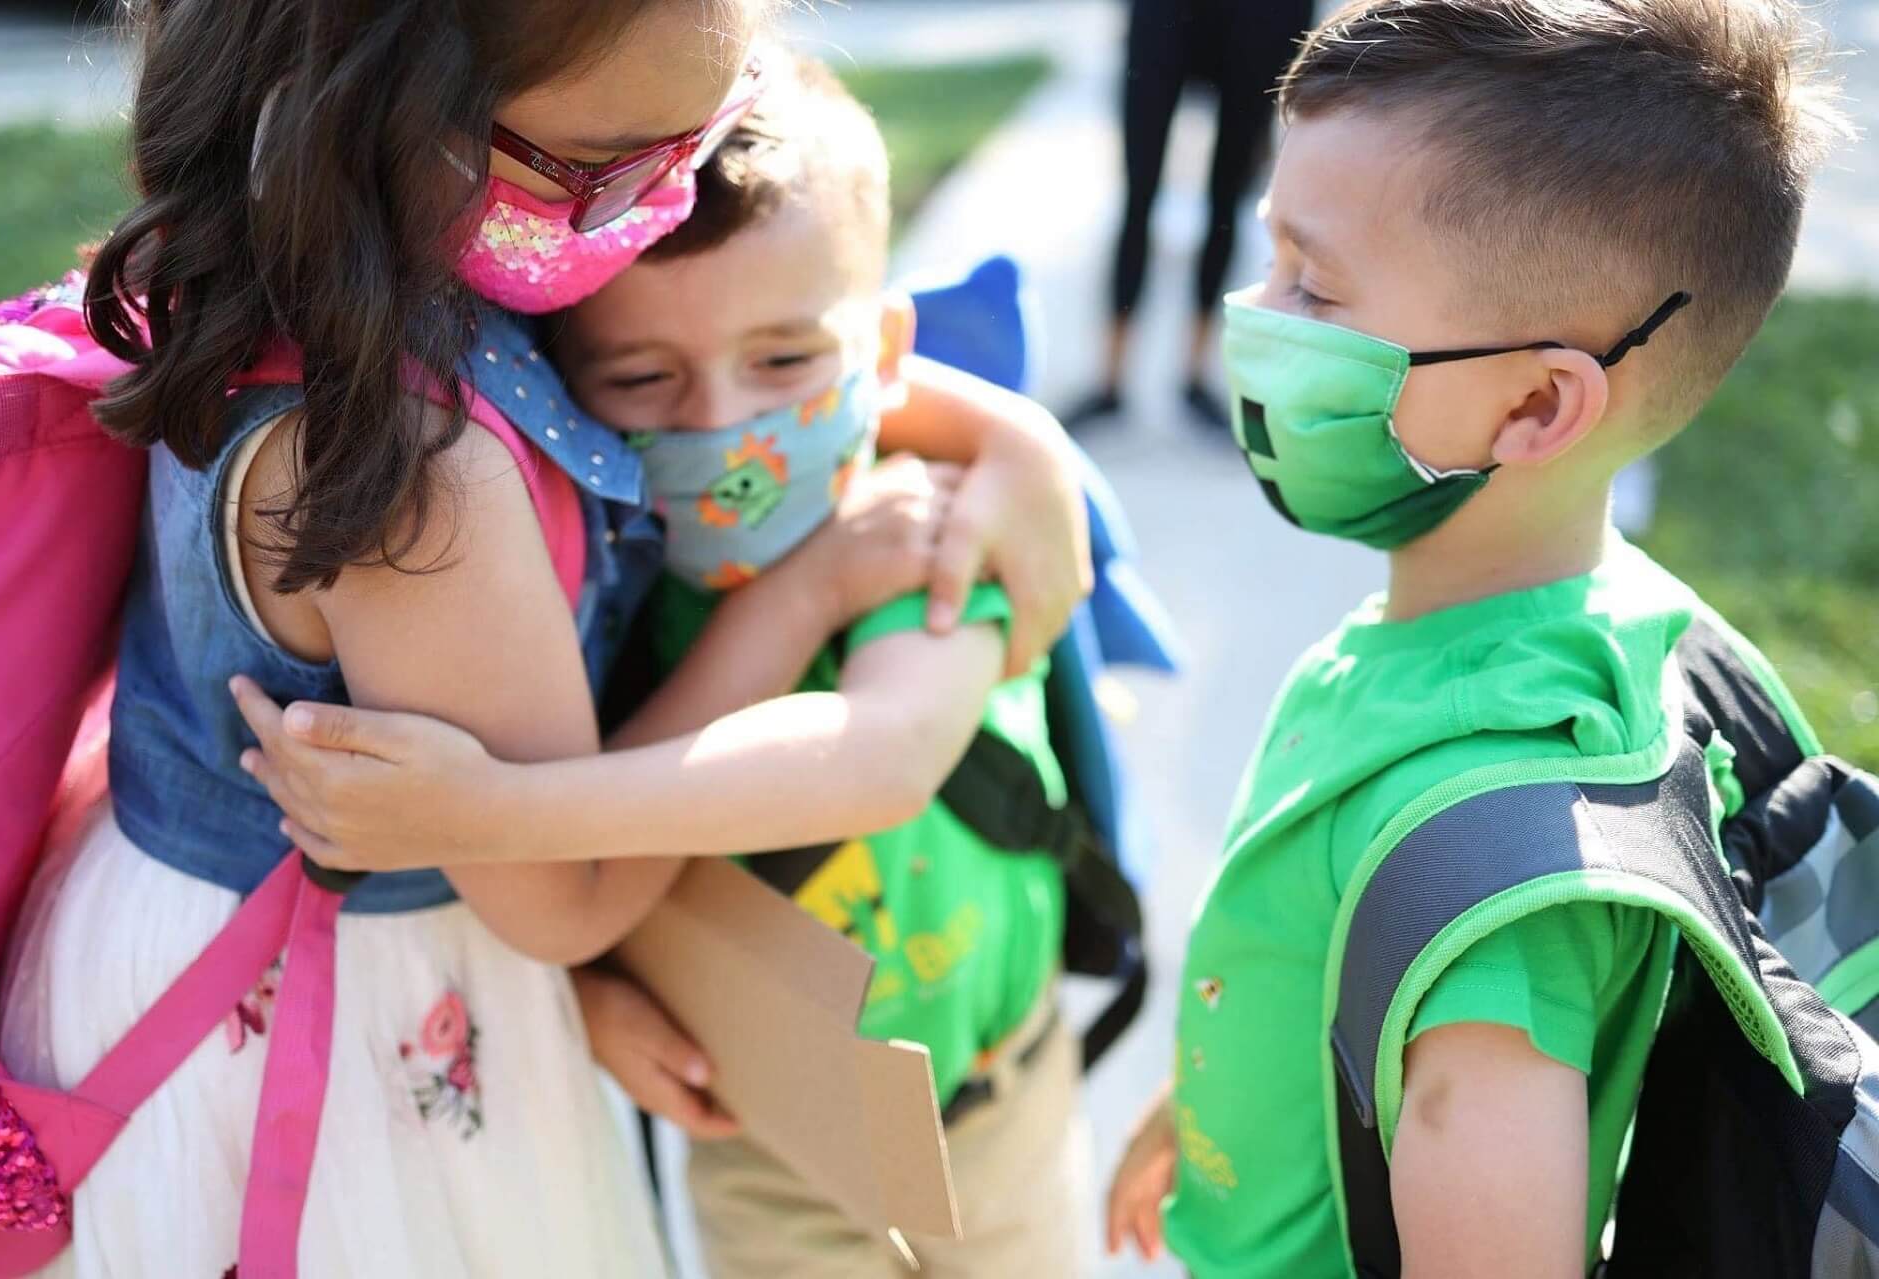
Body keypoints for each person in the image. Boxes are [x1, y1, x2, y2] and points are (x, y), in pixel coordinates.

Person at [0, 3, 1093, 1275]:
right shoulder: (411, 483)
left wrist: (1018, 442)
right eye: (627, 169)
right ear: (403, 113)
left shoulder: (361, 255)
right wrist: (796, 602)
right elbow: (565, 895)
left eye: (715, 125)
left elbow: (773, 347)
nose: (673, 204)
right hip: (333, 1017)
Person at [1103, 0, 1847, 1274]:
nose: (1252, 309)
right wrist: (1219, 1102)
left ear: (1537, 401)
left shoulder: (1496, 880)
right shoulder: (1592, 621)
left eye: (1311, 284)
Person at [550, 56, 1090, 1278]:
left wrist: (827, 579)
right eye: (642, 378)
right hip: (770, 1149)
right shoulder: (592, 605)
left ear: (881, 349)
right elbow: (575, 863)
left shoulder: (934, 523)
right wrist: (582, 990)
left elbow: (878, 756)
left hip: (1008, 1108)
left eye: (786, 364)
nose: (721, 426)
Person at [1066, 0, 1313, 432]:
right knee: (1137, 195)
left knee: (1228, 201)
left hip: (1264, 15)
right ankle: (1110, 381)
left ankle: (1195, 377)